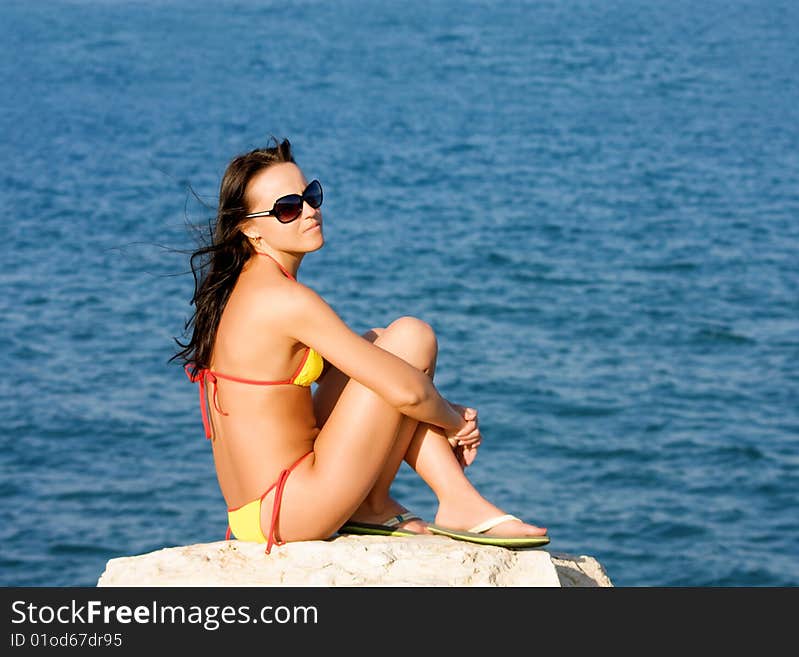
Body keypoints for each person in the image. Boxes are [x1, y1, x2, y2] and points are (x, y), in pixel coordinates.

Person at [171, 137, 548, 554]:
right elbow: (404, 390)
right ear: (250, 228)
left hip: (260, 508)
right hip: (290, 507)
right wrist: (453, 422)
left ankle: (375, 506)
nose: (310, 211)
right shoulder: (285, 300)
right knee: (410, 337)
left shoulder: (244, 287)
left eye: (310, 195)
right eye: (288, 208)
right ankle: (456, 502)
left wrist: (433, 403)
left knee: (379, 342)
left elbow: (368, 373)